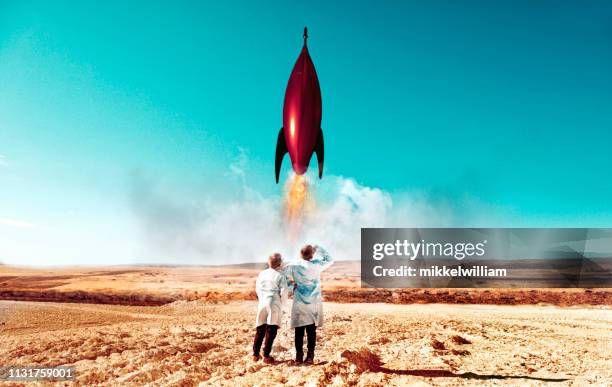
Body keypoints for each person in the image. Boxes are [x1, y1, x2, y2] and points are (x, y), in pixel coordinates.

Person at [285, 245, 334, 364]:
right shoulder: (316, 265)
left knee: (299, 331)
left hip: (299, 303)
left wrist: (291, 287)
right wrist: (319, 248)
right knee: (311, 331)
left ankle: (298, 357)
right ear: (312, 255)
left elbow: (282, 275)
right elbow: (330, 259)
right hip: (313, 304)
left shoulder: (294, 265)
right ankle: (310, 357)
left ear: (300, 253)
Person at [253, 253, 288, 364]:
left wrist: (262, 298)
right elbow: (284, 291)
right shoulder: (280, 275)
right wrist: (283, 304)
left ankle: (255, 354)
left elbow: (257, 288)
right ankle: (266, 355)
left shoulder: (262, 274)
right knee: (271, 329)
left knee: (260, 328)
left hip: (263, 301)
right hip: (274, 301)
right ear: (279, 263)